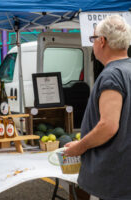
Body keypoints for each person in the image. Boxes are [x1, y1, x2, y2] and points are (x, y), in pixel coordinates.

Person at [64, 15, 131, 199]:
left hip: (116, 179)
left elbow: (108, 126)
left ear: (102, 41)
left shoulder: (112, 75)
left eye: (93, 39)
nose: (92, 44)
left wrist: (80, 147)